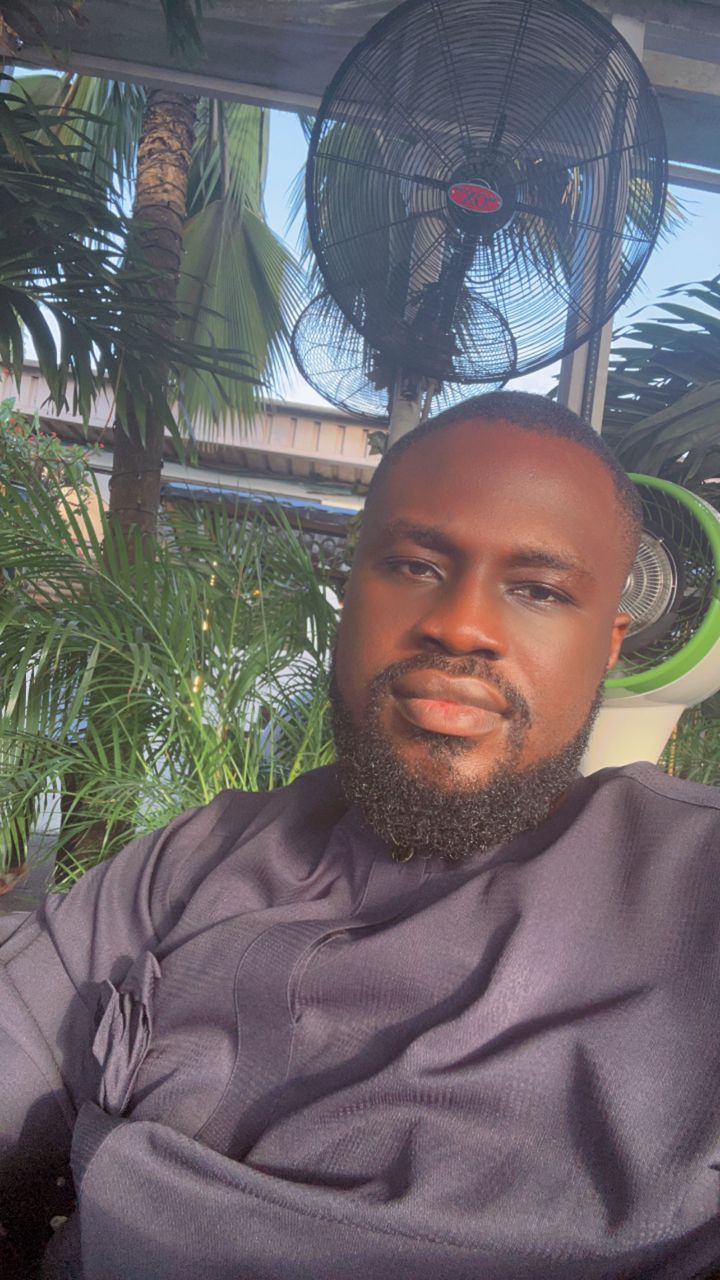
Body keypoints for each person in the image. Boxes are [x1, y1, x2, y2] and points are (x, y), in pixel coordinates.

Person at [2, 390, 720, 1280]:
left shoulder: (694, 889)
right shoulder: (198, 857)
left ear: (609, 646)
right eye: (415, 565)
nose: (461, 625)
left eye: (538, 590)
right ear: (351, 595)